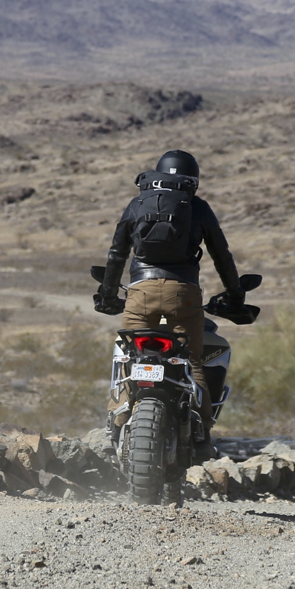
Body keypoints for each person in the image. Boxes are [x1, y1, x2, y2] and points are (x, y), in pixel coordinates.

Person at [94, 149, 244, 457]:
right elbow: (222, 256)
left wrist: (108, 295)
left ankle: (117, 420)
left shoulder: (137, 204)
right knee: (193, 360)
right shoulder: (198, 208)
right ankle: (201, 434)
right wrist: (235, 294)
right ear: (193, 180)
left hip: (140, 294)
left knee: (128, 358)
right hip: (183, 296)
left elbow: (116, 254)